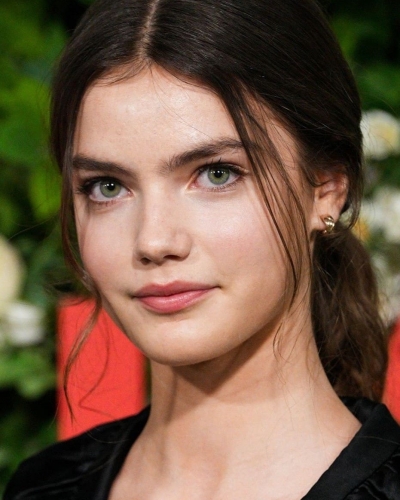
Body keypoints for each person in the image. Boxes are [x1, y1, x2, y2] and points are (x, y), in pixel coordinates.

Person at [5, 0, 400, 498]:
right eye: (108, 186)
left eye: (216, 174)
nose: (153, 241)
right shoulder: (41, 489)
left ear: (325, 189)